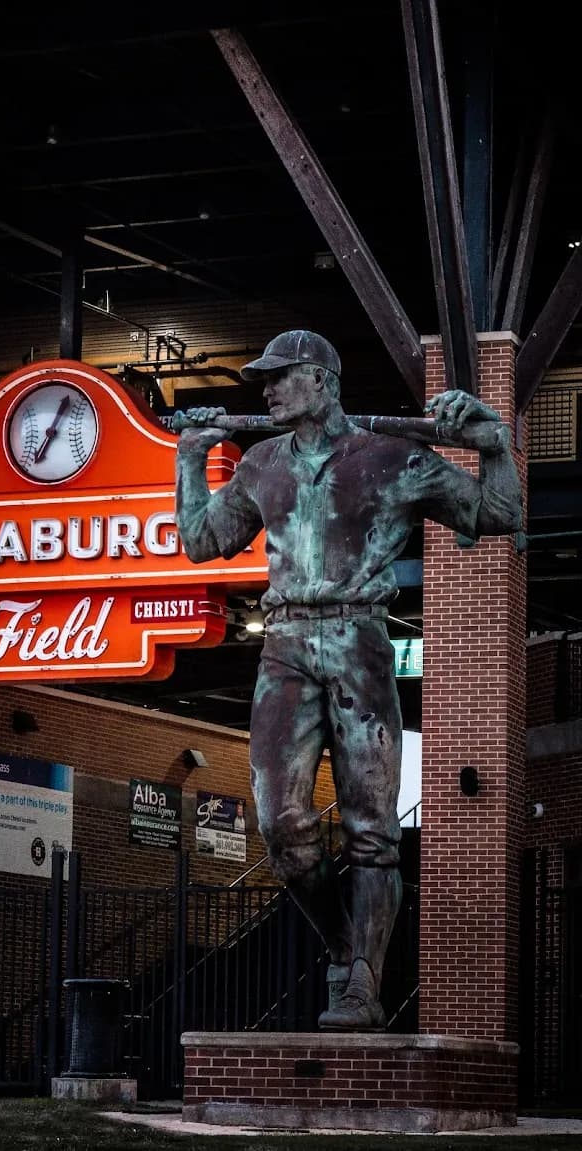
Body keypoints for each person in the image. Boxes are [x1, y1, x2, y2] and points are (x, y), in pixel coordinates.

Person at [174, 329, 522, 1030]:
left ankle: (362, 980)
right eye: (264, 378)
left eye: (281, 376)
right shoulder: (261, 463)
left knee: (371, 827)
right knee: (280, 824)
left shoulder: (391, 458)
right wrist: (190, 462)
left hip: (361, 638)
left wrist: (494, 448)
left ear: (323, 383)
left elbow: (500, 513)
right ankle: (343, 940)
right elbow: (201, 541)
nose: (266, 389)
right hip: (286, 642)